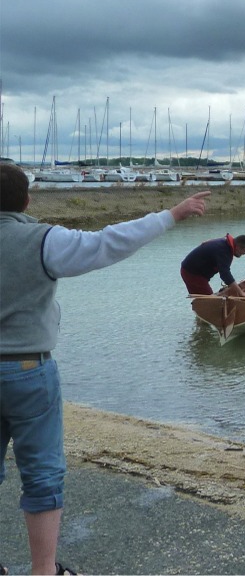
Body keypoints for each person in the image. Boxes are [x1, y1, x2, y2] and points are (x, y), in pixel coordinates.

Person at [0, 163, 210, 576]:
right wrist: (171, 215)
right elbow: (108, 243)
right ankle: (44, 571)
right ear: (27, 200)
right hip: (28, 370)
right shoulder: (42, 239)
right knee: (41, 474)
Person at [179, 233, 245, 300]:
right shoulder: (224, 250)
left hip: (198, 273)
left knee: (206, 299)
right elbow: (225, 274)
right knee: (210, 302)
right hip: (192, 273)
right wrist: (241, 292)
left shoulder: (225, 243)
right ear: (238, 247)